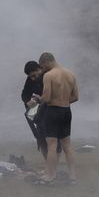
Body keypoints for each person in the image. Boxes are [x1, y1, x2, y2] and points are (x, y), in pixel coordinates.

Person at [38, 52, 79, 185]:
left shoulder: (49, 75)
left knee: (52, 146)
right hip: (66, 111)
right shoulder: (71, 74)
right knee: (67, 145)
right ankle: (73, 176)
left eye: (42, 66)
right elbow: (76, 97)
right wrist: (64, 102)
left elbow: (47, 98)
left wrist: (38, 99)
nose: (42, 69)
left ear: (46, 62)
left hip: (52, 111)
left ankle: (50, 176)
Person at [21, 60, 47, 157]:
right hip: (39, 107)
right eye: (31, 77)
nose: (34, 78)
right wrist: (28, 102)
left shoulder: (47, 76)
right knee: (41, 137)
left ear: (39, 69)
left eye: (35, 75)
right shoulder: (30, 80)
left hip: (51, 107)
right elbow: (24, 94)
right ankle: (39, 140)